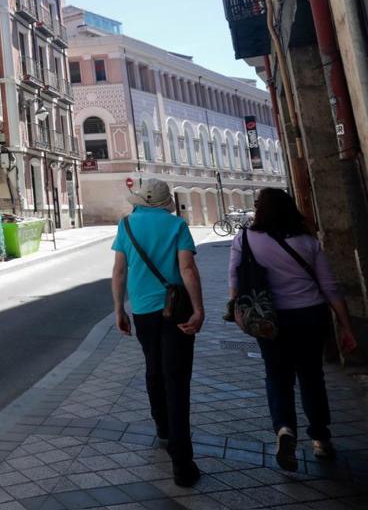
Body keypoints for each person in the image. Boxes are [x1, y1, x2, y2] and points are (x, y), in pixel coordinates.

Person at [228, 188, 357, 471]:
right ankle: (321, 439)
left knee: (276, 376)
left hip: (268, 318)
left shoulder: (245, 239)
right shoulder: (307, 241)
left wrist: (237, 311)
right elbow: (330, 287)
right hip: (311, 315)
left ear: (260, 211)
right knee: (311, 376)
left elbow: (235, 281)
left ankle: (284, 429)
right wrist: (347, 327)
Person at [112, 178, 205, 488]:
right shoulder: (176, 225)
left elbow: (119, 270)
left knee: (153, 368)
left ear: (141, 200)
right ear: (163, 201)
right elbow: (188, 269)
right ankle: (182, 463)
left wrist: (118, 309)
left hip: (143, 311)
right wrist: (198, 308)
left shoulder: (126, 226)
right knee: (177, 381)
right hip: (176, 310)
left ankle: (162, 427)